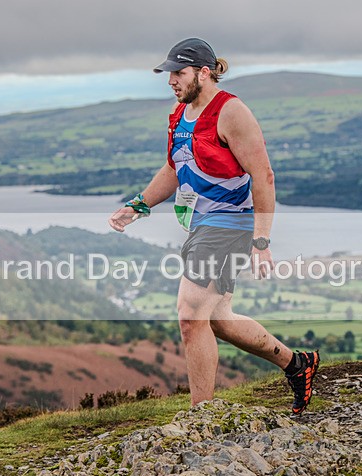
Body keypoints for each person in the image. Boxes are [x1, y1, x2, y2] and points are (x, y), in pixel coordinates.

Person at [108, 37, 319, 416]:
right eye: (169, 73)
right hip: (202, 226)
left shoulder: (231, 112)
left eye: (179, 72)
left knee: (190, 317)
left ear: (204, 72)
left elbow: (264, 176)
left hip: (230, 224)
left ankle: (200, 415)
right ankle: (297, 365)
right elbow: (175, 168)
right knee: (217, 320)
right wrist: (139, 205)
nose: (171, 80)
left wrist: (261, 239)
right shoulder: (178, 114)